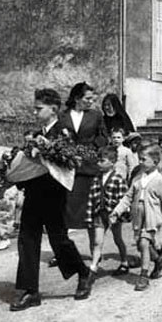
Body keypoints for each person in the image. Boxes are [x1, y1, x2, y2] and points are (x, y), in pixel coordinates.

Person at [11, 88, 94, 311]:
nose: (35, 112)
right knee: (27, 239)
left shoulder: (63, 132)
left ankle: (84, 272)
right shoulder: (37, 133)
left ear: (54, 109)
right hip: (33, 194)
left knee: (59, 241)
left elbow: (68, 163)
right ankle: (30, 291)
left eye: (39, 109)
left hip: (54, 195)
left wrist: (44, 149)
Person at [110, 144, 162, 290]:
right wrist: (117, 211)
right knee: (140, 245)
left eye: (144, 159)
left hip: (152, 218)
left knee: (144, 243)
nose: (140, 162)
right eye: (139, 159)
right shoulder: (138, 179)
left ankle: (143, 276)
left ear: (155, 161)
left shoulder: (160, 181)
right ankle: (159, 261)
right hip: (138, 217)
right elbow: (127, 197)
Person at [57, 82, 108, 230]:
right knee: (67, 209)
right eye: (88, 99)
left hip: (88, 166)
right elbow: (56, 137)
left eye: (92, 99)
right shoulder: (62, 116)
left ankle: (95, 251)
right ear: (77, 98)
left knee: (89, 212)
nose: (91, 102)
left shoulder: (96, 115)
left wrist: (92, 148)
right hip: (68, 167)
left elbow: (103, 137)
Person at [85, 146, 129, 279]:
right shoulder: (96, 178)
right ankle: (93, 267)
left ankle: (124, 261)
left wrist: (118, 214)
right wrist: (88, 216)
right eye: (98, 160)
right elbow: (91, 198)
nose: (99, 163)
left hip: (113, 214)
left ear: (112, 162)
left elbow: (123, 199)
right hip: (100, 214)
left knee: (117, 239)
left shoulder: (118, 178)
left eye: (102, 161)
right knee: (97, 241)